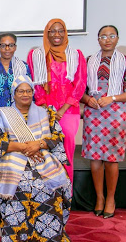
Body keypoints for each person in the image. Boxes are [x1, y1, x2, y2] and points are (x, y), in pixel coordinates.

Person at [0, 76, 72, 242]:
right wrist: (22, 147)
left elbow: (57, 136)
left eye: (28, 91)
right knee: (20, 183)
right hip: (13, 156)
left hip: (41, 156)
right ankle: (18, 237)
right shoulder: (3, 113)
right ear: (14, 94)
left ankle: (50, 236)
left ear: (33, 93)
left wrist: (39, 144)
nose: (25, 94)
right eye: (21, 91)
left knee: (49, 183)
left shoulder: (46, 112)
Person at [80, 26, 126, 218]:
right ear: (98, 39)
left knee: (111, 158)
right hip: (94, 111)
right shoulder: (88, 61)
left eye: (111, 36)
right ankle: (99, 197)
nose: (107, 39)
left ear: (117, 38)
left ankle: (111, 198)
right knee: (95, 158)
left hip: (115, 112)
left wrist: (112, 98)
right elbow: (79, 89)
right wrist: (87, 99)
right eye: (103, 36)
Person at [27, 19, 87, 182]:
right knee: (45, 152)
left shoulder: (76, 55)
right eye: (52, 31)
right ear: (47, 33)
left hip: (68, 111)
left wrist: (61, 110)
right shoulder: (36, 55)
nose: (57, 34)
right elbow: (36, 86)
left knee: (66, 152)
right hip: (44, 111)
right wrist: (49, 109)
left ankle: (65, 195)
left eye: (60, 30)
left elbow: (80, 84)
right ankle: (48, 198)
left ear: (65, 32)